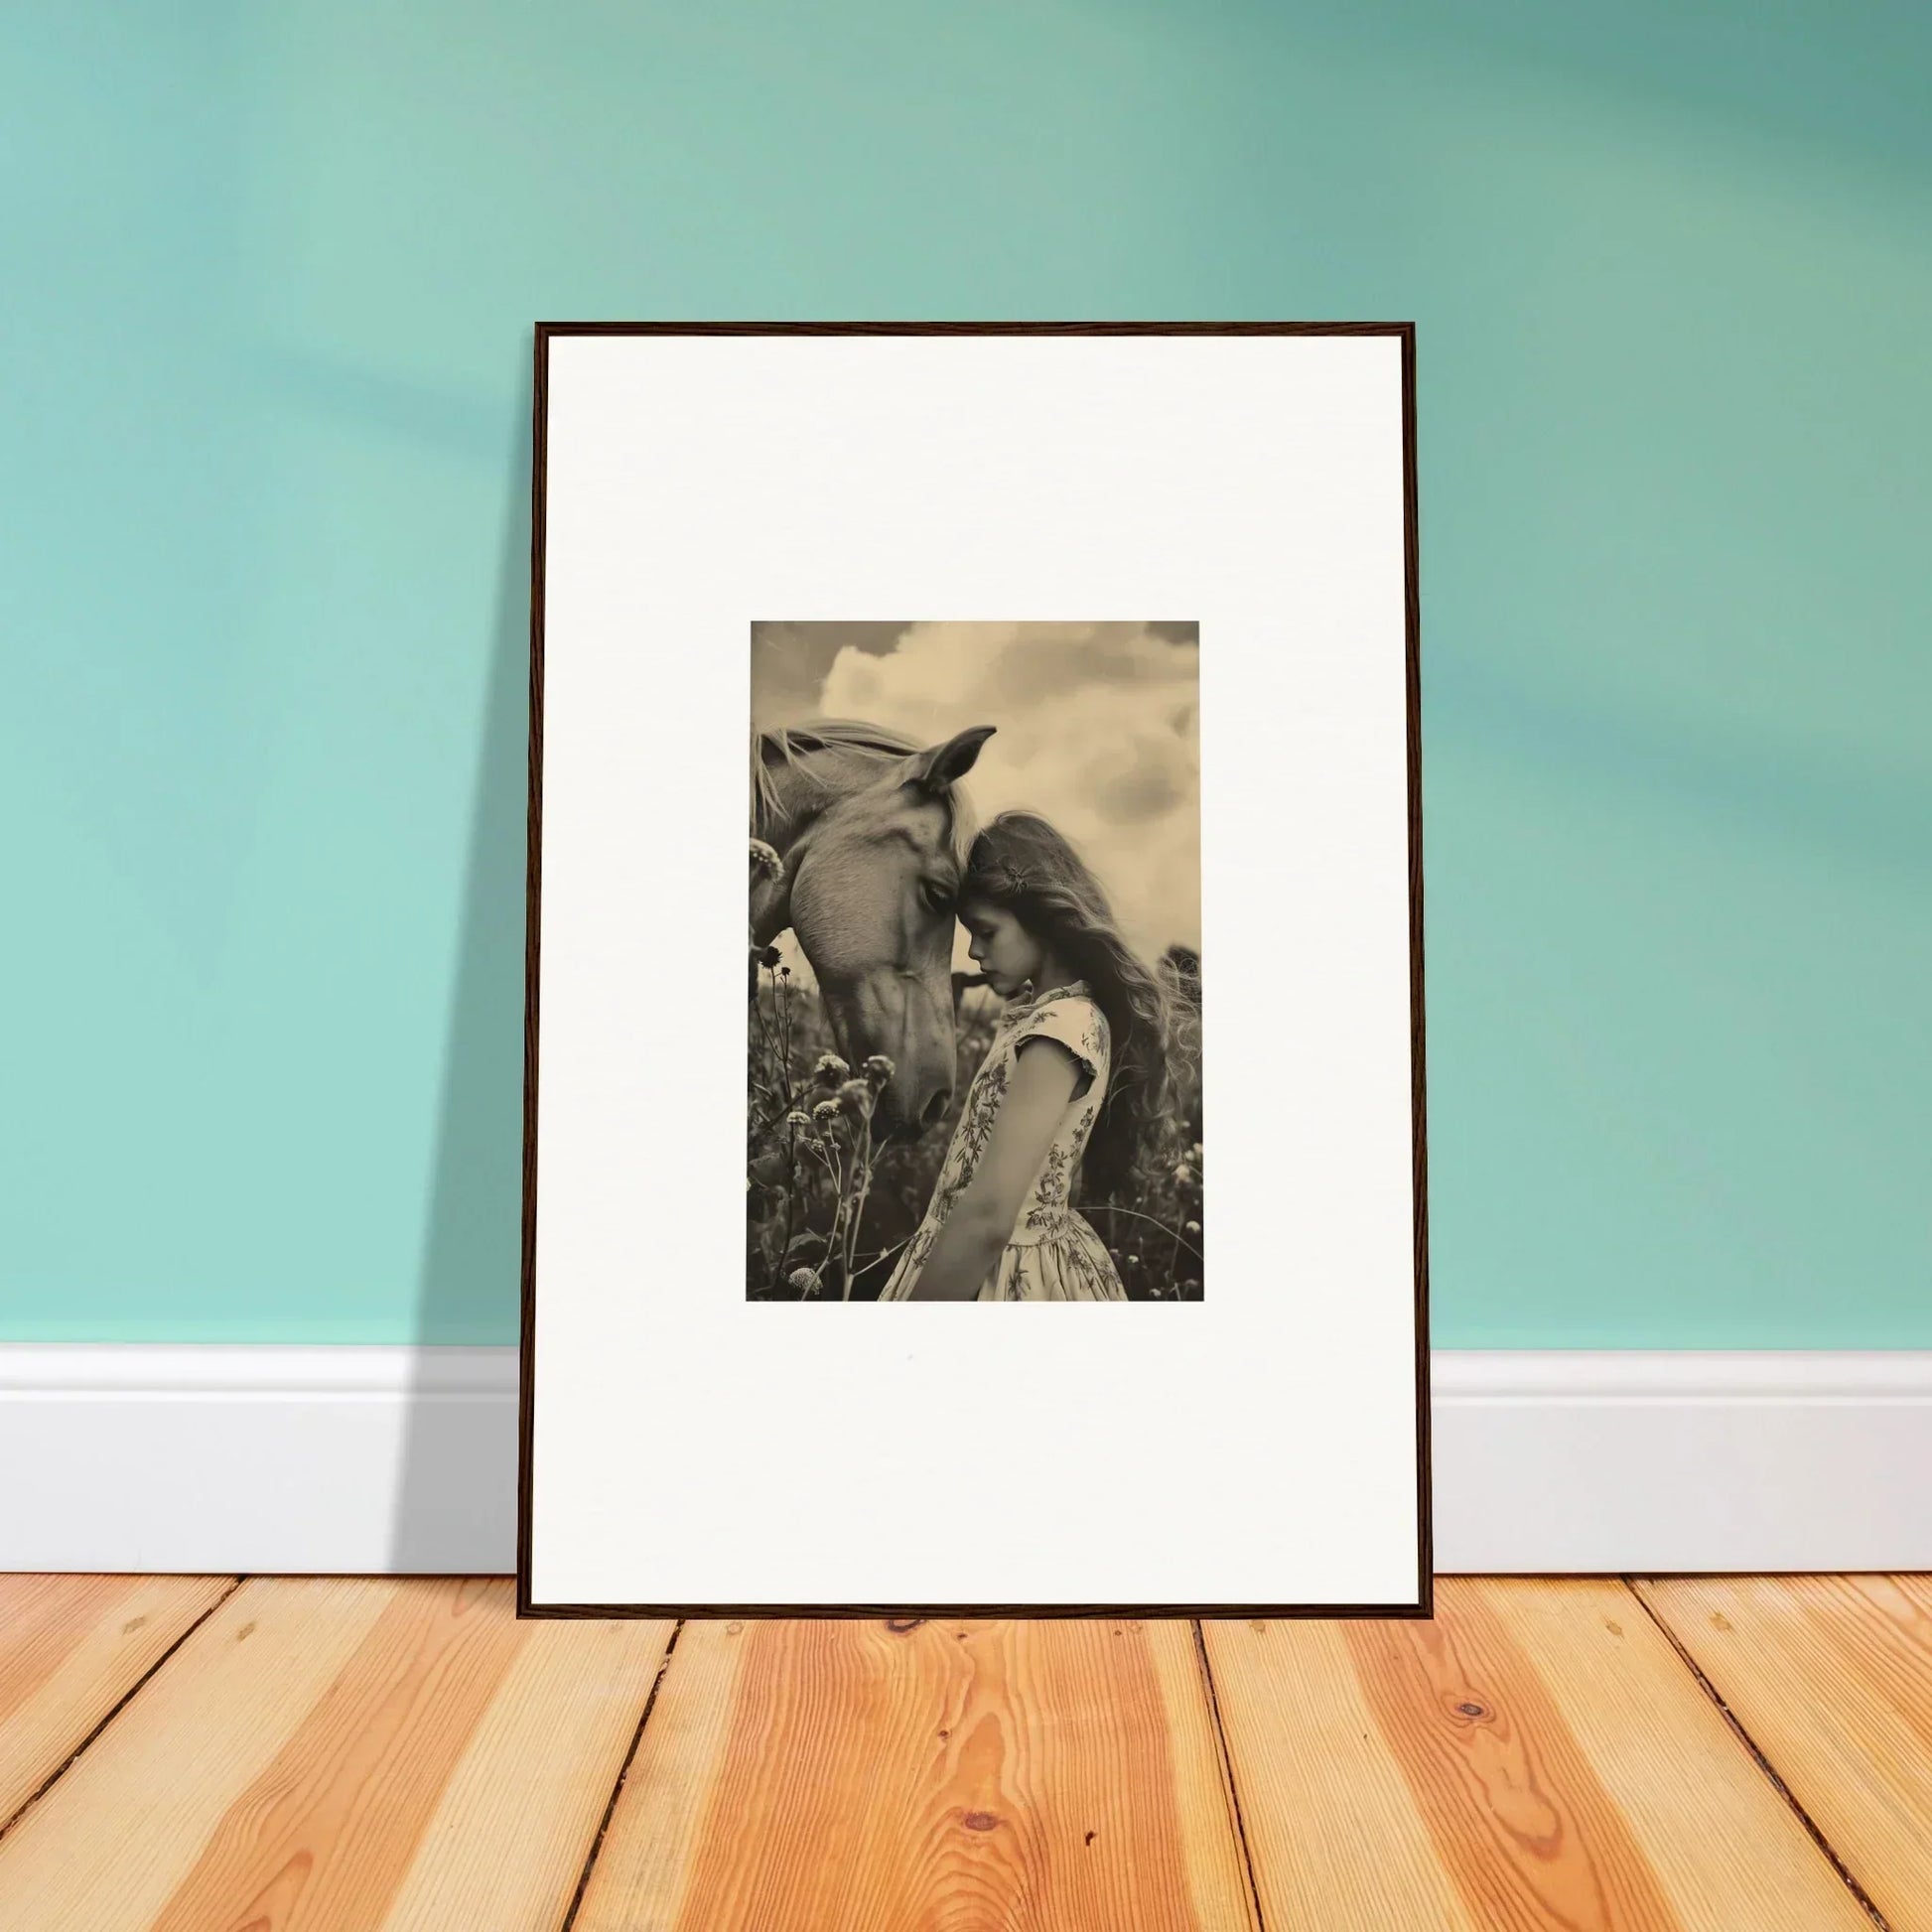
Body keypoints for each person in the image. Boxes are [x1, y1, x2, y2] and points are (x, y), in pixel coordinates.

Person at [879, 810, 1172, 1302]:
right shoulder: (1060, 1018)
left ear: (1043, 921)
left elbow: (991, 1217)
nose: (972, 952)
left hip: (1002, 1269)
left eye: (987, 932)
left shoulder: (1062, 1028)